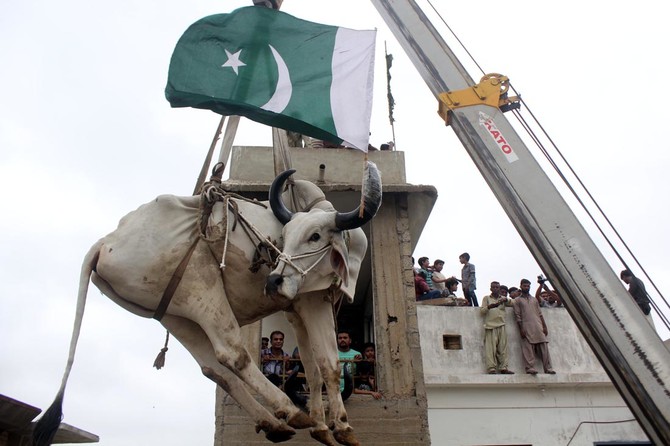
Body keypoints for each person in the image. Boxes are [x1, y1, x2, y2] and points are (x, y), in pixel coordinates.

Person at [513, 279, 555, 375]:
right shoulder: (517, 300)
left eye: (528, 286)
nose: (526, 287)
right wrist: (521, 329)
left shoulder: (534, 300)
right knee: (528, 348)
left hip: (538, 326)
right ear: (521, 286)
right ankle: (530, 368)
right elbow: (517, 316)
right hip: (526, 326)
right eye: (524, 286)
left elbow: (540, 314)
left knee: (544, 347)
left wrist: (544, 326)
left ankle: (548, 368)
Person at [480, 281, 515, 374]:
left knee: (503, 348)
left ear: (499, 289)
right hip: (490, 326)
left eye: (497, 287)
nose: (495, 289)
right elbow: (482, 311)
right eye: (494, 287)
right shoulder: (487, 298)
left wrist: (506, 300)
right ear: (490, 288)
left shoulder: (502, 299)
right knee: (491, 349)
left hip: (501, 325)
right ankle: (491, 368)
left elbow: (514, 303)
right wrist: (489, 307)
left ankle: (503, 367)